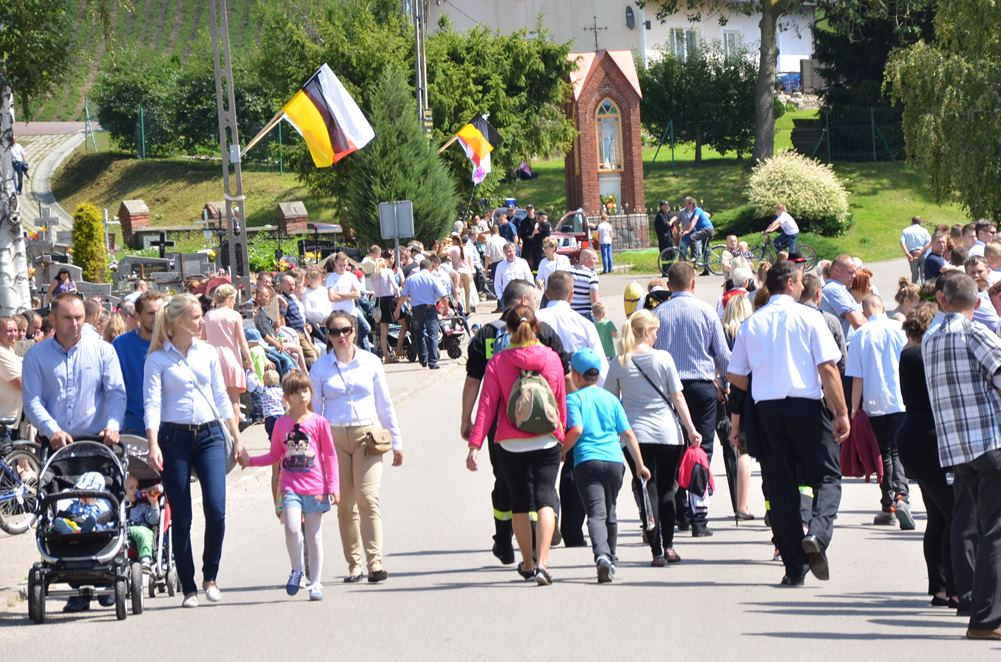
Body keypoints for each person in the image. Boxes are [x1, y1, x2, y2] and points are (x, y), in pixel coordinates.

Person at [726, 261, 850, 586]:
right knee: (826, 475)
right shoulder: (809, 317)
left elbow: (735, 374)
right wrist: (841, 412)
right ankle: (818, 535)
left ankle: (794, 566)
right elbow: (828, 368)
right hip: (805, 405)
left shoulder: (752, 323)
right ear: (794, 284)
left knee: (780, 488)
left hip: (766, 409)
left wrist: (761, 380)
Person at [143, 294, 244, 608]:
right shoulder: (157, 359)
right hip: (174, 437)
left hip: (210, 432)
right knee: (182, 515)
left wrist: (236, 435)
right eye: (197, 317)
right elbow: (152, 404)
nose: (202, 322)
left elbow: (221, 395)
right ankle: (188, 586)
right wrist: (152, 443)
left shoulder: (208, 352)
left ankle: (210, 575)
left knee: (216, 508)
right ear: (177, 321)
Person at [460, 279, 570, 564]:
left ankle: (504, 539)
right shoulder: (545, 334)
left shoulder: (485, 335)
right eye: (534, 300)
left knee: (507, 484)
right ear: (523, 301)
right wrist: (564, 429)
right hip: (545, 425)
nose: (536, 304)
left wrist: (467, 421)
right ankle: (537, 546)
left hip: (504, 426)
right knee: (541, 488)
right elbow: (563, 386)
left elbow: (475, 383)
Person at [922, 274, 1001, 640]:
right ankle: (987, 619)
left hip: (957, 449)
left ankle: (981, 610)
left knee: (980, 528)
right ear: (979, 304)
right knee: (994, 532)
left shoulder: (931, 338)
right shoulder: (973, 333)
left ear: (942, 300)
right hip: (989, 441)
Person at [310, 311, 404, 584]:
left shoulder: (370, 362)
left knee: (368, 497)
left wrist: (397, 441)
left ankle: (375, 562)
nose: (341, 336)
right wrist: (316, 448)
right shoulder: (321, 367)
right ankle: (354, 564)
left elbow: (384, 403)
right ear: (328, 335)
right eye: (335, 332)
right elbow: (316, 410)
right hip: (334, 437)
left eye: (346, 330)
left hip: (368, 434)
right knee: (345, 505)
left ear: (355, 331)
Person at [604, 309, 702, 566]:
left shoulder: (619, 361)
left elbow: (610, 400)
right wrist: (691, 428)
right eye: (655, 331)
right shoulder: (663, 359)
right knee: (668, 488)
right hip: (667, 433)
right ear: (646, 332)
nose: (657, 335)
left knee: (647, 489)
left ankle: (656, 549)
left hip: (634, 435)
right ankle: (669, 545)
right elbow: (677, 397)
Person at [243, 370, 338, 601]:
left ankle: (315, 582)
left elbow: (330, 456)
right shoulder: (281, 424)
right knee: (293, 529)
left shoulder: (319, 422)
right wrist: (251, 461)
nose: (302, 396)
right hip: (290, 487)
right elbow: (275, 455)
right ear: (287, 397)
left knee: (314, 536)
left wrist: (334, 486)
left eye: (305, 391)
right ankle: (297, 569)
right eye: (296, 393)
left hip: (316, 487)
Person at [652, 261, 730, 536]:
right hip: (701, 386)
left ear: (669, 285)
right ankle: (700, 515)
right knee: (702, 448)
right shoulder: (706, 312)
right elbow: (722, 355)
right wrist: (725, 383)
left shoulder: (658, 314)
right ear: (693, 283)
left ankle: (681, 511)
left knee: (675, 449)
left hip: (670, 390)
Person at [563, 348, 651, 583]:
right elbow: (629, 434)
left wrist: (562, 452)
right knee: (610, 509)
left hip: (587, 462)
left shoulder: (573, 399)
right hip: (614, 462)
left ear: (576, 375)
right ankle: (611, 555)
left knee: (595, 512)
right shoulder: (611, 399)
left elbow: (576, 429)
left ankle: (602, 556)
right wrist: (640, 465)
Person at [896, 303, 957, 609]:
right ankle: (953, 586)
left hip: (912, 435)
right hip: (933, 437)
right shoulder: (926, 355)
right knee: (954, 514)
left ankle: (940, 586)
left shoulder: (908, 354)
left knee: (938, 516)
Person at [845, 294, 912, 528]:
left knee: (883, 452)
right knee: (898, 449)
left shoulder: (860, 336)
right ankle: (902, 495)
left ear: (864, 312)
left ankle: (889, 501)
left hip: (874, 402)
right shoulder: (900, 329)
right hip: (900, 398)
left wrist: (853, 408)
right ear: (883, 306)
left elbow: (857, 377)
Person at [720, 295, 756, 521]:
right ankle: (744, 505)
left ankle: (739, 503)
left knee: (735, 447)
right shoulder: (750, 331)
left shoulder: (724, 331)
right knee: (745, 451)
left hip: (728, 390)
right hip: (749, 390)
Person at [113, 291, 166, 435]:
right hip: (135, 423)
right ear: (137, 316)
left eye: (160, 312)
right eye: (151, 313)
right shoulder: (121, 345)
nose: (157, 317)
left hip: (169, 424)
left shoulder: (172, 344)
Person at [204, 285, 253, 418]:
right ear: (230, 298)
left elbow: (202, 339)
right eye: (234, 299)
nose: (235, 302)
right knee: (233, 401)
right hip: (231, 359)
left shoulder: (208, 315)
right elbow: (242, 341)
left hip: (212, 360)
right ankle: (234, 433)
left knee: (217, 400)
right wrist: (249, 360)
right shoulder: (234, 315)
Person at [396, 259, 448, 370]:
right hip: (430, 309)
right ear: (430, 268)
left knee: (419, 335)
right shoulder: (433, 278)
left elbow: (403, 296)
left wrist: (397, 309)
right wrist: (446, 309)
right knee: (433, 335)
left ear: (420, 267)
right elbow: (443, 296)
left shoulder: (411, 279)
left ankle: (423, 359)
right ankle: (433, 362)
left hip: (416, 310)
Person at [325, 252, 370, 351]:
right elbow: (332, 297)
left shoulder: (351, 277)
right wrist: (349, 295)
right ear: (335, 263)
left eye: (345, 265)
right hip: (336, 314)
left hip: (350, 313)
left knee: (352, 342)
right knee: (336, 343)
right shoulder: (331, 278)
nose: (343, 267)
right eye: (340, 265)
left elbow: (357, 295)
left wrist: (340, 294)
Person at [253, 285, 296, 376]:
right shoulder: (255, 311)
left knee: (292, 359)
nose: (268, 299)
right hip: (264, 346)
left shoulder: (262, 310)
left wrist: (279, 344)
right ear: (259, 296)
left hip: (270, 344)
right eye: (267, 296)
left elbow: (269, 332)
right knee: (286, 361)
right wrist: (276, 344)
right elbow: (263, 334)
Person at [278, 273, 319, 367]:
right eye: (289, 285)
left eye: (293, 284)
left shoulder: (291, 298)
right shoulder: (283, 300)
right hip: (295, 333)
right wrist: (285, 334)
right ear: (282, 285)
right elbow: (281, 318)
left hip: (302, 331)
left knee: (316, 351)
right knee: (311, 355)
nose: (292, 287)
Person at [821, 254, 866, 337]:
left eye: (854, 273)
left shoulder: (839, 289)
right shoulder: (835, 289)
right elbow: (858, 323)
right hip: (846, 346)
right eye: (850, 272)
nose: (854, 276)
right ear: (836, 270)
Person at [125, 475, 161, 567]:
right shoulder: (119, 508)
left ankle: (145, 562)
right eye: (131, 488)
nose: (135, 490)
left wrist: (154, 504)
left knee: (144, 533)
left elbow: (154, 520)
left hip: (141, 533)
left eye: (137, 487)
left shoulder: (142, 507)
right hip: (124, 533)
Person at [0, 317, 22, 441]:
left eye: (15, 330)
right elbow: (20, 383)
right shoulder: (1, 352)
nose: (14, 334)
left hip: (11, 418)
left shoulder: (10, 351)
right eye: (9, 331)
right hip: (4, 419)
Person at [677, 196, 714, 267]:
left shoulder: (698, 210)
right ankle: (706, 269)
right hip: (705, 230)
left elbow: (694, 221)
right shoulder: (693, 213)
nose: (686, 206)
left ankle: (695, 258)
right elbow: (689, 224)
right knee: (705, 250)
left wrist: (688, 231)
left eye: (687, 204)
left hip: (707, 230)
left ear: (691, 204)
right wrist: (682, 231)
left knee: (692, 237)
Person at [568, 249, 601, 321]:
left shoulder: (567, 272)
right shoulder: (592, 276)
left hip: (568, 315)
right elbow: (595, 302)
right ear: (585, 259)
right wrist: (601, 318)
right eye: (594, 259)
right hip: (585, 316)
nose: (597, 261)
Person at [448, 234, 476, 313]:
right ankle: (468, 309)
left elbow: (443, 253)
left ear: (455, 241)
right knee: (468, 292)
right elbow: (471, 263)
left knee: (460, 291)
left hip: (458, 272)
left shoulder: (453, 249)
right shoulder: (467, 249)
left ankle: (461, 309)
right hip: (467, 272)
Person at [900, 216, 932, 283]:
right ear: (920, 223)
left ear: (912, 222)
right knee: (923, 275)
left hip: (912, 254)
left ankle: (914, 291)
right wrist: (921, 251)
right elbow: (929, 242)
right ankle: (923, 291)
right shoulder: (924, 230)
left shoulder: (906, 231)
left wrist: (907, 253)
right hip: (922, 254)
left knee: (914, 276)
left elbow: (901, 242)